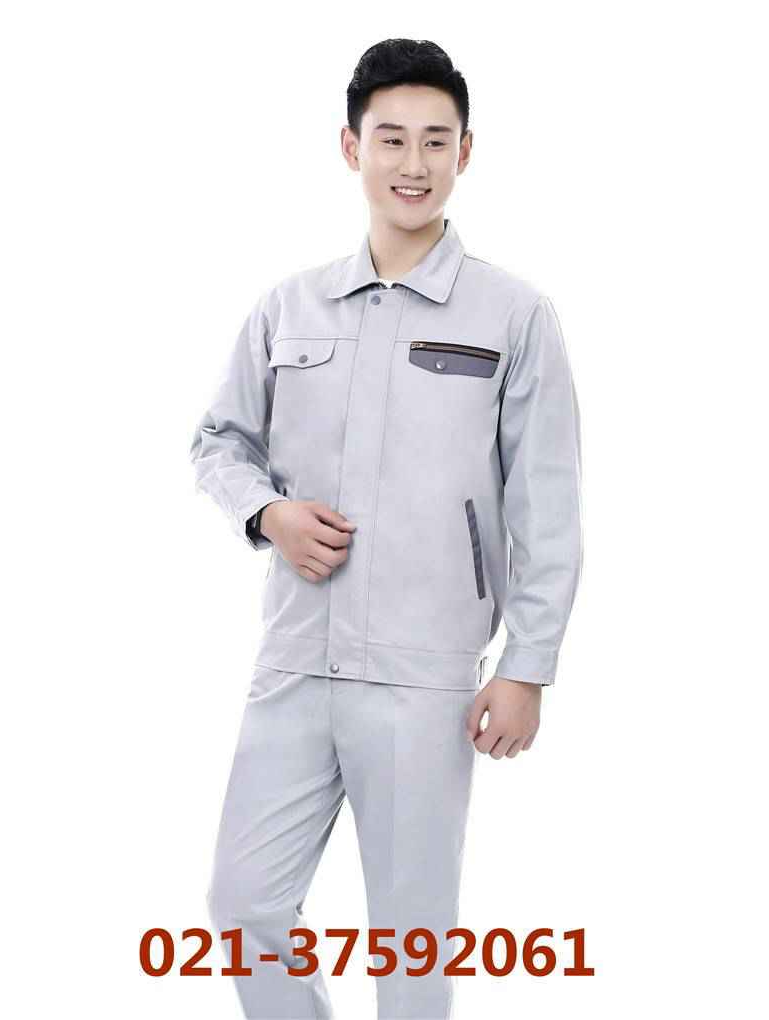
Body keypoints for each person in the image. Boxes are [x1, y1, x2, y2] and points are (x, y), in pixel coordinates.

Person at [189, 37, 583, 1020]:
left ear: (465, 153)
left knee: (410, 946)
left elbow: (546, 505)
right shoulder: (289, 307)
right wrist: (267, 513)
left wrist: (527, 666)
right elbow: (218, 442)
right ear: (350, 147)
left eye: (435, 141)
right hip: (294, 663)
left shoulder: (512, 315)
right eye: (392, 139)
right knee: (243, 906)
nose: (413, 163)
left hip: (422, 677)